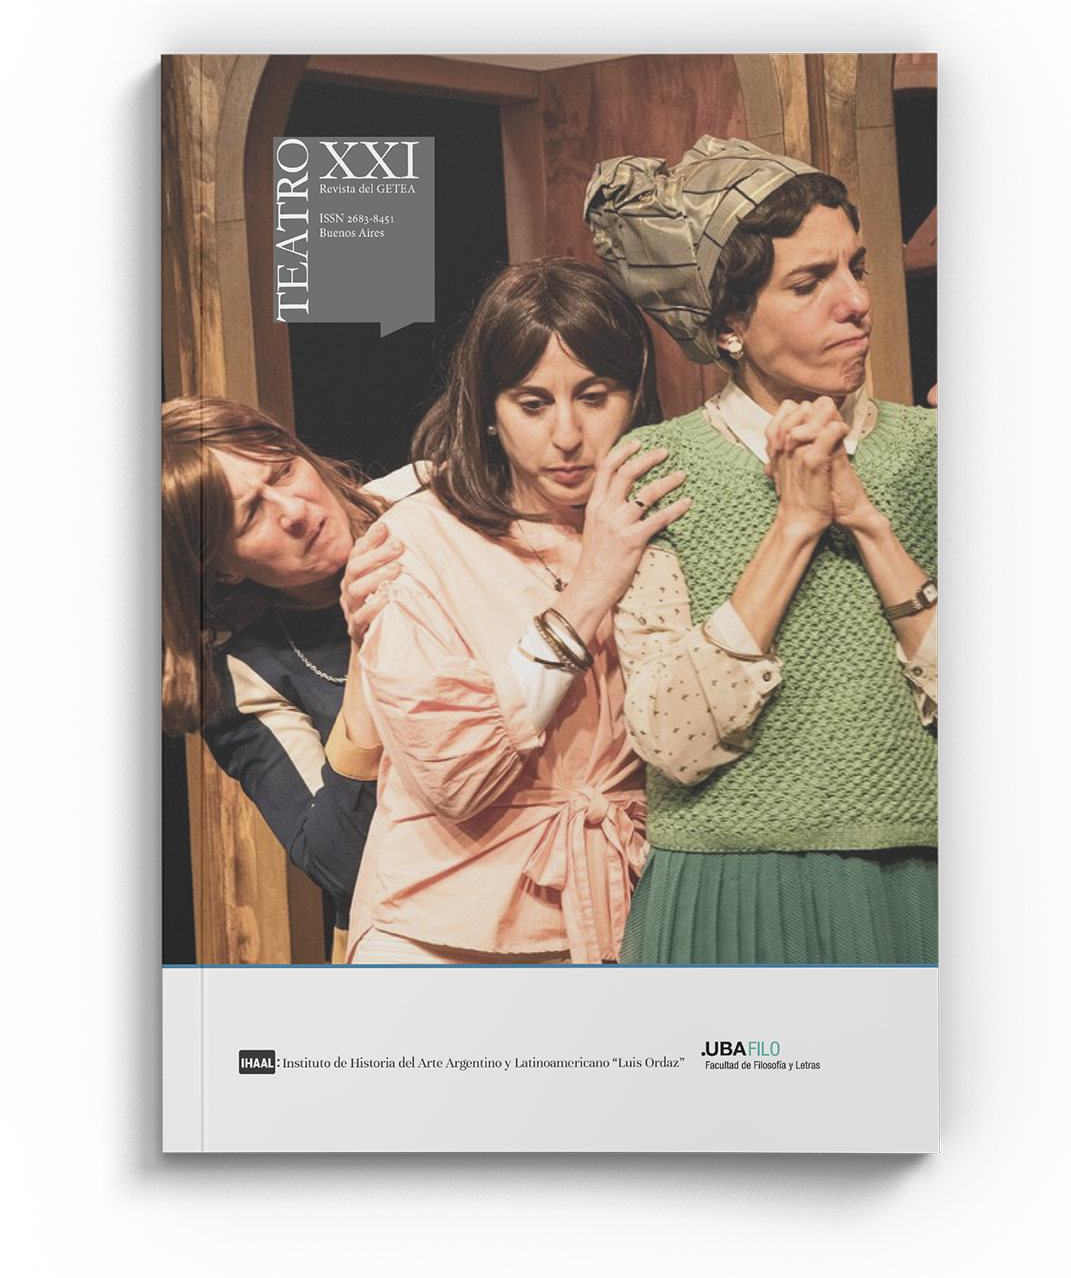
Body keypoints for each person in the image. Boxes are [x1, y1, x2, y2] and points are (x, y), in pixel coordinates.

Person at [585, 136, 937, 964]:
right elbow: (668, 739)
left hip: (914, 883)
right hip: (731, 896)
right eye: (810, 283)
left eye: (856, 268)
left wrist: (868, 522)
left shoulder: (926, 452)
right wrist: (795, 526)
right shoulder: (656, 467)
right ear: (730, 325)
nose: (855, 302)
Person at [347, 258, 691, 964]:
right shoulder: (416, 540)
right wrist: (588, 591)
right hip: (445, 935)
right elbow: (457, 772)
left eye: (594, 396)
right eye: (532, 404)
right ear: (489, 411)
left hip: (626, 915)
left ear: (635, 396)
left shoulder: (667, 524)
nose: (567, 434)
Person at [161, 396, 413, 957]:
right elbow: (339, 863)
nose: (295, 512)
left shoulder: (428, 496)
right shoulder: (247, 673)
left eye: (283, 471)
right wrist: (363, 657)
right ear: (221, 566)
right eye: (251, 514)